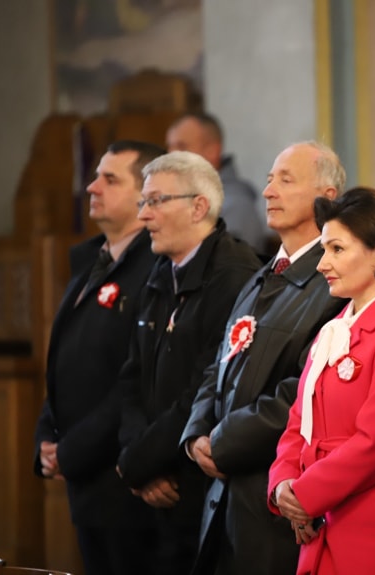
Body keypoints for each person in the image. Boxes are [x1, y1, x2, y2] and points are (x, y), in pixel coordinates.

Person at [180, 141, 348, 575]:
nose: (268, 191)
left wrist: (223, 442)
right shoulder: (259, 277)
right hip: (222, 496)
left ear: (326, 198)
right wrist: (196, 432)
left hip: (273, 497)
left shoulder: (333, 284)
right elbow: (220, 363)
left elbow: (304, 391)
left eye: (285, 180)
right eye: (270, 179)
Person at [268, 186, 375, 575]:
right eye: (324, 249)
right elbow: (298, 424)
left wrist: (305, 493)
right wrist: (283, 484)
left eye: (337, 249)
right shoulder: (335, 328)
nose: (321, 264)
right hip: (324, 519)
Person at [116, 150, 262, 575]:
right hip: (150, 485)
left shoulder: (235, 275)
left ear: (199, 206)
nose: (143, 216)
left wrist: (139, 463)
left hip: (195, 488)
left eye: (155, 201)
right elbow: (131, 377)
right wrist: (135, 461)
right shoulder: (161, 269)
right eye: (143, 202)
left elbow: (205, 390)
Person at [33, 140, 165, 575]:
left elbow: (136, 377)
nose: (92, 187)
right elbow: (64, 362)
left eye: (110, 179)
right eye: (96, 176)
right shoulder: (92, 259)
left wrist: (72, 451)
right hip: (85, 476)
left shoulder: (155, 266)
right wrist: (46, 438)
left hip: (125, 478)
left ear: (145, 193)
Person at [167, 112, 270, 254]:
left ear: (212, 151)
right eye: (170, 148)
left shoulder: (237, 205)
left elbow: (232, 267)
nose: (171, 156)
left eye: (182, 146)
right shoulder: (178, 196)